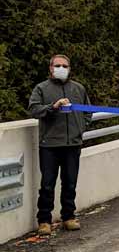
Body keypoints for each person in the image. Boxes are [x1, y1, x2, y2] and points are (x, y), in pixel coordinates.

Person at [27, 53, 93, 236]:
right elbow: (33, 109)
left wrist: (81, 128)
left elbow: (88, 111)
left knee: (70, 182)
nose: (61, 69)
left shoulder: (78, 89)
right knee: (47, 184)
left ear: (69, 69)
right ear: (51, 68)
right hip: (49, 145)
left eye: (65, 66)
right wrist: (52, 107)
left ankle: (69, 217)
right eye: (58, 66)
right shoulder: (41, 88)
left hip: (72, 143)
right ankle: (44, 220)